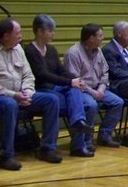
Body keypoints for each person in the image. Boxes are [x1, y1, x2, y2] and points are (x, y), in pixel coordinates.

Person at [0, 18, 62, 170]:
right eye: (18, 33)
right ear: (6, 36)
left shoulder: (18, 49)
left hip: (20, 95)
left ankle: (47, 148)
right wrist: (13, 95)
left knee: (51, 100)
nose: (21, 36)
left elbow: (28, 75)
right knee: (9, 104)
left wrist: (27, 92)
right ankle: (6, 155)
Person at [23, 14, 94, 157]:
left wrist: (76, 79)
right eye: (50, 31)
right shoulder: (29, 51)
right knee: (77, 104)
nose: (53, 34)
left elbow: (61, 70)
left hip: (55, 88)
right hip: (40, 88)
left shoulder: (51, 50)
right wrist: (69, 82)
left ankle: (78, 124)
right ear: (39, 31)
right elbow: (42, 75)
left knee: (76, 92)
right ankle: (73, 142)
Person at [63, 24, 124, 150]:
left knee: (118, 102)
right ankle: (86, 140)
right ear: (91, 38)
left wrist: (101, 89)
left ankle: (105, 135)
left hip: (98, 88)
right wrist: (93, 93)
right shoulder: (73, 53)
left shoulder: (99, 51)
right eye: (100, 35)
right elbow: (75, 80)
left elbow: (105, 72)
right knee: (91, 105)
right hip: (81, 91)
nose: (103, 38)